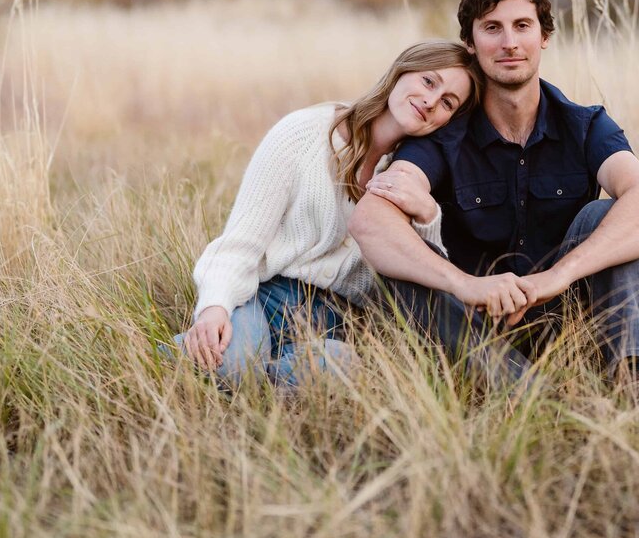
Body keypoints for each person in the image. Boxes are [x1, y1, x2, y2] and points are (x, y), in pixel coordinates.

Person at [349, 0, 639, 390]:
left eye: (522, 26)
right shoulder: (445, 134)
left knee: (610, 214)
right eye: (492, 28)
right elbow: (370, 221)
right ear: (470, 42)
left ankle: (634, 389)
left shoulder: (585, 126)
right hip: (472, 329)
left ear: (544, 36)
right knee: (401, 273)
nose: (509, 43)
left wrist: (555, 278)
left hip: (564, 315)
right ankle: (530, 395)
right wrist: (466, 286)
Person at [169, 40, 520, 389]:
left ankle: (237, 382)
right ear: (402, 71)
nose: (430, 102)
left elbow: (413, 282)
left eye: (448, 103)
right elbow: (240, 243)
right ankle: (189, 360)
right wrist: (215, 305)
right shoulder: (304, 134)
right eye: (428, 81)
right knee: (233, 365)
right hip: (264, 298)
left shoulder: (413, 174)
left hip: (337, 319)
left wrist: (428, 216)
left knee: (340, 367)